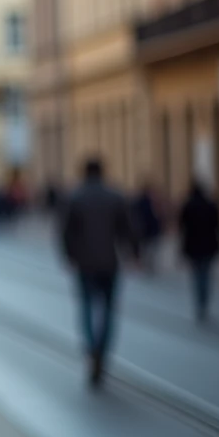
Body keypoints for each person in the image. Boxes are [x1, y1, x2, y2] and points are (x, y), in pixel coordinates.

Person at [59, 158, 138, 388]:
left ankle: (91, 347)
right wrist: (134, 253)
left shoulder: (75, 196)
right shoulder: (115, 196)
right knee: (109, 310)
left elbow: (65, 231)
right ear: (103, 172)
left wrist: (69, 256)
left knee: (86, 307)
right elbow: (128, 228)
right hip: (109, 263)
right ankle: (102, 352)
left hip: (84, 264)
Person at [179, 181, 219, 322]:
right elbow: (217, 225)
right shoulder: (211, 205)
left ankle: (199, 303)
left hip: (193, 246)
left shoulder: (188, 205)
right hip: (208, 245)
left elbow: (182, 226)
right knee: (206, 274)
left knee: (197, 275)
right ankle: (204, 302)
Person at [131, 181, 164, 275]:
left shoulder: (145, 202)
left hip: (147, 230)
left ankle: (147, 265)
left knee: (148, 249)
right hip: (148, 230)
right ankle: (148, 265)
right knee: (149, 249)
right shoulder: (147, 202)